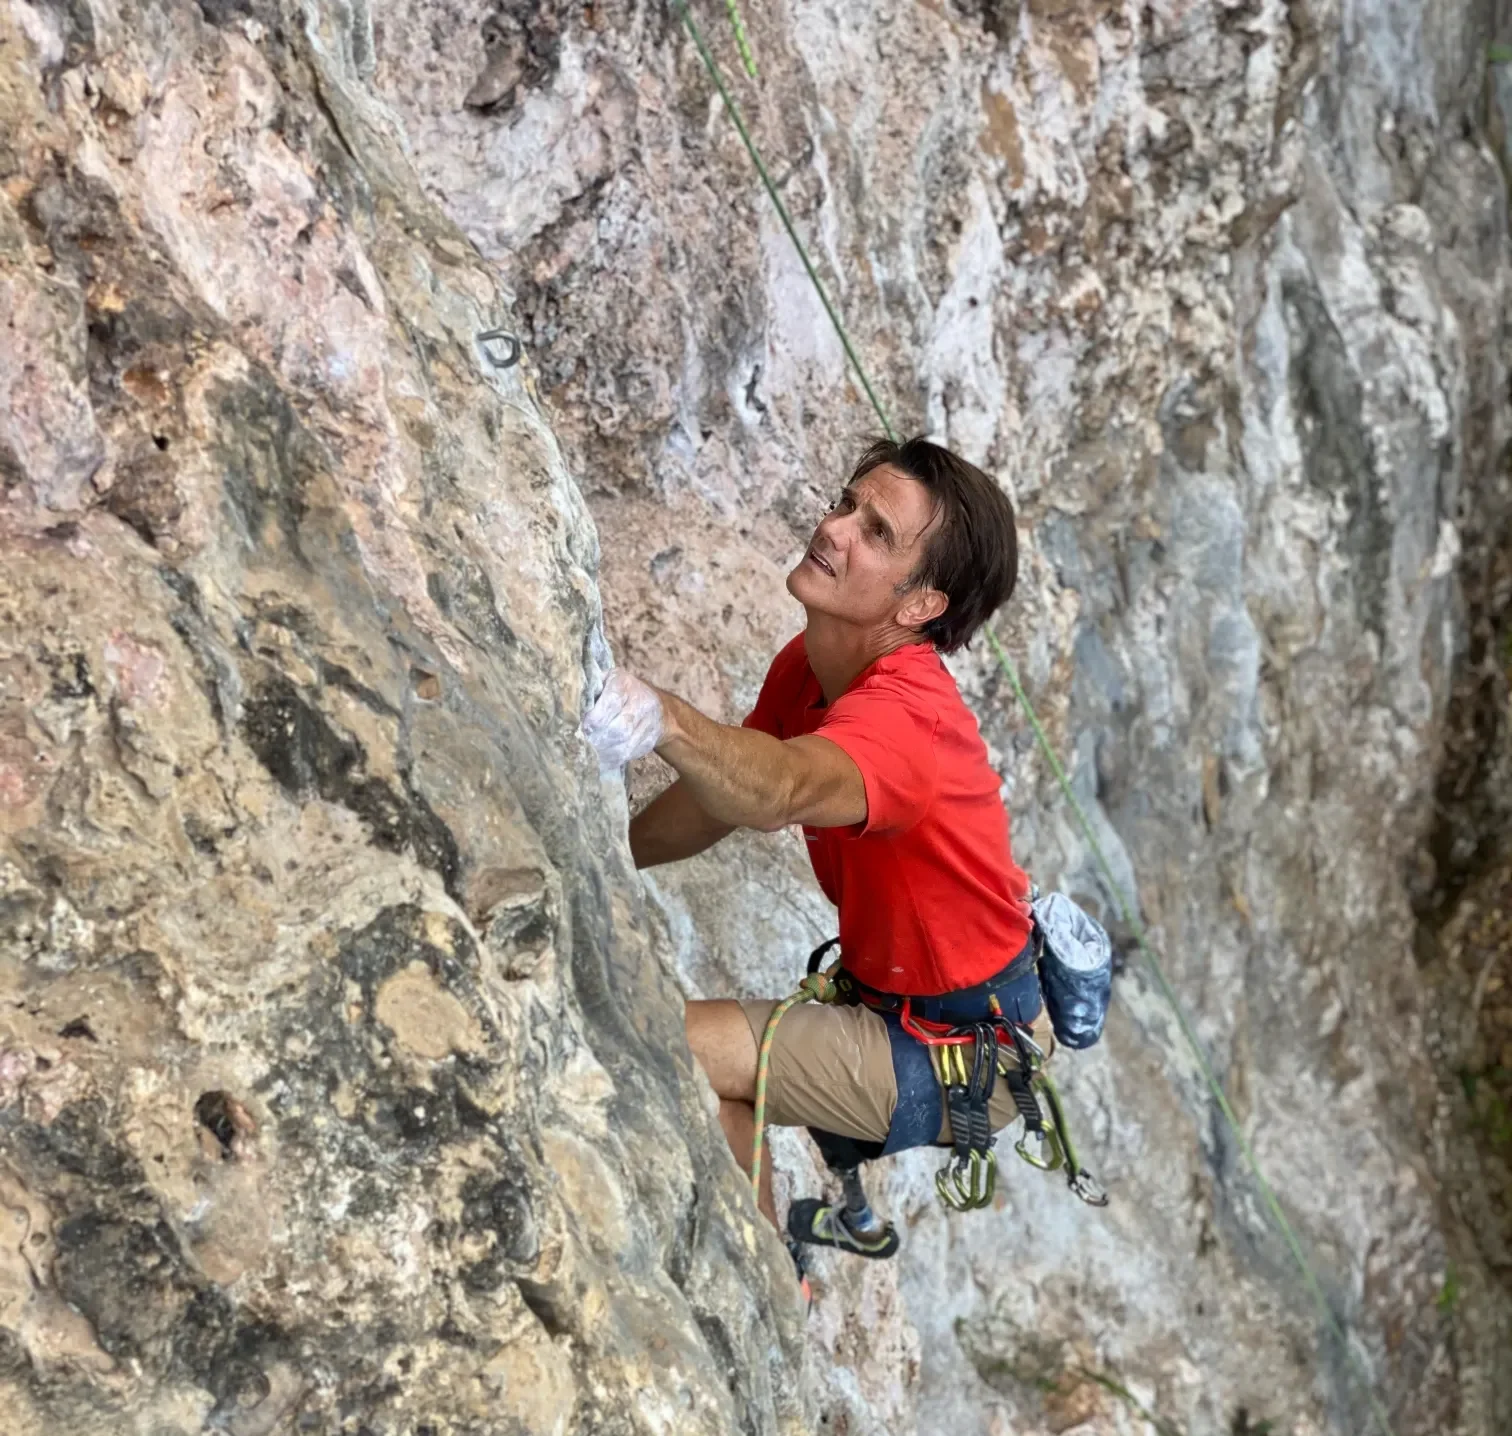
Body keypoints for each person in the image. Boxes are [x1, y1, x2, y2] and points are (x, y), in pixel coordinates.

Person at [582, 436, 1051, 1258]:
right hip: (911, 1010)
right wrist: (602, 853)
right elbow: (725, 797)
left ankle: (758, 1293)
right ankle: (768, 1276)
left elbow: (784, 787)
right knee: (727, 1089)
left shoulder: (909, 724)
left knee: (679, 1048)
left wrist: (665, 716)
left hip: (951, 1050)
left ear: (919, 607)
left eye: (875, 532)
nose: (833, 529)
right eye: (845, 504)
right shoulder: (810, 666)